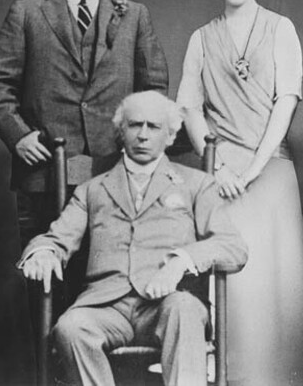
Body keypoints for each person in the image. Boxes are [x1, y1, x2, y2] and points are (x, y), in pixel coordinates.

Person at [18, 91, 248, 386]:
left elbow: (232, 246)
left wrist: (180, 262)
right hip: (106, 307)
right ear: (121, 132)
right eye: (135, 125)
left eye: (153, 126)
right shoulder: (92, 189)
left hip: (167, 304)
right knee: (70, 328)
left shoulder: (195, 184)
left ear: (170, 135)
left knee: (185, 309)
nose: (143, 135)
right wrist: (43, 252)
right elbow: (57, 237)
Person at [176, 0, 303, 385]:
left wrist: (253, 169)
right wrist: (218, 167)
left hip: (270, 172)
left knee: (277, 286)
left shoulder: (280, 29)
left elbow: (286, 99)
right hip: (221, 177)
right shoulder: (202, 38)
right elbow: (189, 107)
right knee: (232, 286)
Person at [0, 0, 168, 242]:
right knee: (45, 266)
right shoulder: (27, 12)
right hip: (43, 174)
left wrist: (137, 143)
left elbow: (154, 93)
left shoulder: (135, 15)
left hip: (116, 172)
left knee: (110, 268)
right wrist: (19, 136)